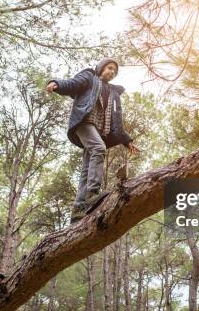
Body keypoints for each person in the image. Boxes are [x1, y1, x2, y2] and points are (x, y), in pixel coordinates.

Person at [46, 58, 140, 223]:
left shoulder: (113, 93)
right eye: (109, 68)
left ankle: (78, 210)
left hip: (98, 129)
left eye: (115, 71)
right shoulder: (90, 77)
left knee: (86, 168)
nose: (112, 72)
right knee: (99, 148)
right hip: (84, 122)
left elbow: (117, 120)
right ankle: (93, 194)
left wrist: (126, 140)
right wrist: (57, 84)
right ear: (102, 67)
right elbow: (73, 84)